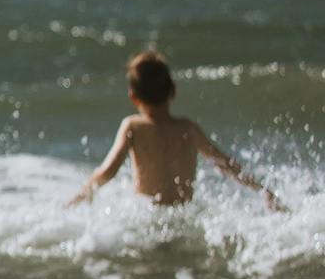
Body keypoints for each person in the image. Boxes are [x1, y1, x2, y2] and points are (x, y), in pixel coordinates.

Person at [68, 50, 285, 211]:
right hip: (184, 215)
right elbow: (225, 164)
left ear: (133, 97)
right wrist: (262, 190)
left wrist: (84, 192)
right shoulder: (188, 129)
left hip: (149, 217)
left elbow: (108, 171)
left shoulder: (133, 126)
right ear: (173, 92)